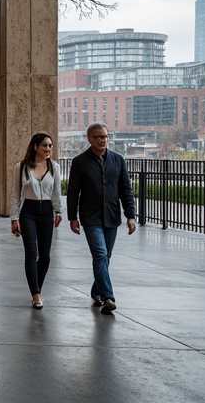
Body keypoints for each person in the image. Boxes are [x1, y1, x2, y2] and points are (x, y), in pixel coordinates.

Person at [66, 123, 137, 314]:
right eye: (98, 137)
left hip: (112, 216)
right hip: (91, 217)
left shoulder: (118, 160)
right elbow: (73, 192)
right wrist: (72, 217)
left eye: (105, 136)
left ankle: (96, 290)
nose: (102, 140)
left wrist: (131, 216)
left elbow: (126, 190)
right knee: (100, 254)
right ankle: (108, 297)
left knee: (107, 257)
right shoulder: (80, 162)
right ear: (90, 139)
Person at [9, 132, 63, 309]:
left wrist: (58, 212)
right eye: (44, 146)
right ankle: (36, 294)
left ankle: (36, 285)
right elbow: (16, 194)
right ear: (35, 147)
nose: (48, 149)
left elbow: (56, 192)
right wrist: (14, 219)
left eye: (50, 146)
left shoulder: (54, 167)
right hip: (28, 212)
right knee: (31, 253)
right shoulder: (22, 167)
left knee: (45, 256)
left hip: (47, 211)